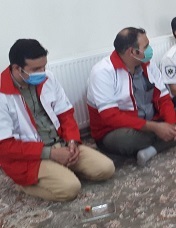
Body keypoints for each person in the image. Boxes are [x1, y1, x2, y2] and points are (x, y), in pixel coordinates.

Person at [0, 39, 114, 201]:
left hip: (60, 143)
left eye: (44, 66)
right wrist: (51, 154)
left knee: (106, 168)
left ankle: (60, 170)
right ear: (17, 68)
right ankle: (25, 183)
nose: (42, 72)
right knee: (70, 189)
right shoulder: (2, 94)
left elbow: (65, 113)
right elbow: (5, 147)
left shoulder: (47, 78)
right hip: (30, 157)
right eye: (35, 69)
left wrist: (72, 141)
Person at [87, 27, 176, 166]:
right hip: (117, 130)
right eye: (146, 46)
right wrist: (156, 128)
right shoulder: (102, 72)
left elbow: (163, 98)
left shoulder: (147, 64)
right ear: (132, 52)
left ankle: (152, 149)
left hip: (150, 121)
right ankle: (168, 139)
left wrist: (171, 124)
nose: (150, 49)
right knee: (127, 140)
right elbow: (111, 117)